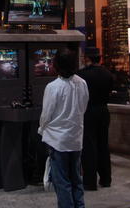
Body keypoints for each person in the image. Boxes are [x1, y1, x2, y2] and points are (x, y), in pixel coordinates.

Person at [39, 46, 89, 208]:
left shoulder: (53, 87)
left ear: (56, 65)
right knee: (76, 180)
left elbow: (46, 115)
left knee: (62, 182)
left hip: (57, 141)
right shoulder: (82, 83)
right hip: (76, 139)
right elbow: (83, 107)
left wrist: (41, 129)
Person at [77, 47, 114, 190]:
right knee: (103, 144)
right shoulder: (108, 74)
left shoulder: (82, 75)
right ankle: (106, 179)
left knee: (89, 146)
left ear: (87, 58)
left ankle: (90, 181)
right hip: (104, 111)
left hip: (88, 111)